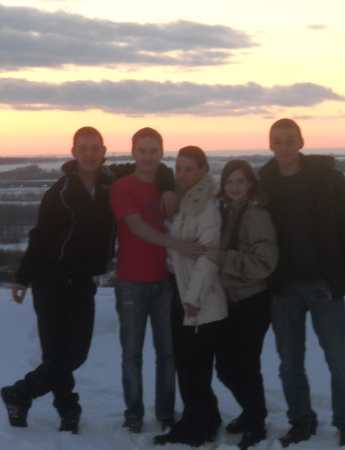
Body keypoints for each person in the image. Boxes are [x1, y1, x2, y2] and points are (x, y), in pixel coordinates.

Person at [0, 126, 173, 434]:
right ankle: (67, 409)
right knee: (56, 353)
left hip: (82, 281)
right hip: (51, 279)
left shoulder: (111, 179)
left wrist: (169, 188)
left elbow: (152, 166)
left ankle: (21, 393)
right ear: (73, 152)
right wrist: (23, 278)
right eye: (83, 149)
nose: (90, 154)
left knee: (75, 354)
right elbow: (40, 236)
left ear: (104, 151)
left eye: (95, 148)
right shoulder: (61, 191)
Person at [258, 118, 345, 447]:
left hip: (324, 283)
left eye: (289, 139)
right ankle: (301, 421)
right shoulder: (262, 183)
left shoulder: (328, 178)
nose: (283, 146)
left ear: (301, 142)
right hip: (282, 287)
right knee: (289, 363)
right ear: (270, 144)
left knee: (339, 359)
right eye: (277, 141)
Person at [109, 128, 201, 434]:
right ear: (133, 152)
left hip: (166, 281)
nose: (148, 157)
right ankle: (133, 413)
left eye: (153, 151)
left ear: (161, 152)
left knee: (168, 353)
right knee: (131, 354)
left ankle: (165, 413)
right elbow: (136, 227)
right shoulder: (122, 187)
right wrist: (177, 246)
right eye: (142, 150)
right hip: (131, 281)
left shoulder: (170, 187)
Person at [153, 146, 228, 447]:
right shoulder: (187, 200)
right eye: (179, 169)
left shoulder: (205, 206)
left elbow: (208, 257)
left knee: (194, 366)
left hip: (199, 298)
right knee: (187, 363)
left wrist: (192, 299)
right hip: (182, 291)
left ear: (203, 171)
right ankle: (204, 419)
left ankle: (196, 427)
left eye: (189, 169)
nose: (182, 174)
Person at [204, 159, 278, 450]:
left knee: (246, 367)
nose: (234, 187)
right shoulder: (224, 212)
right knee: (225, 367)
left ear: (250, 184)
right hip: (227, 301)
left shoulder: (256, 215)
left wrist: (223, 258)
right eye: (229, 181)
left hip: (251, 301)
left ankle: (256, 423)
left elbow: (264, 263)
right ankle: (250, 412)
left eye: (240, 181)